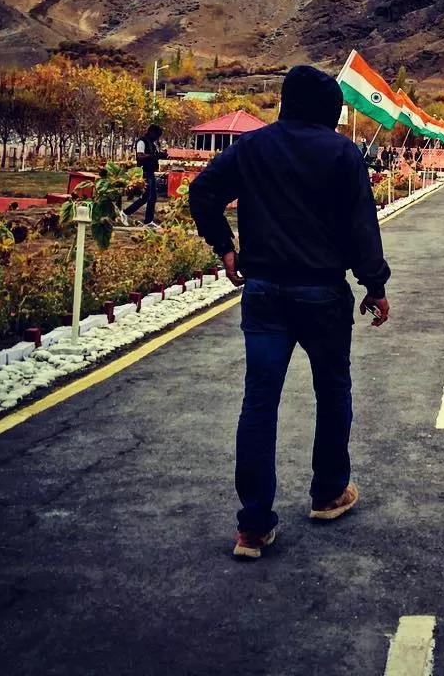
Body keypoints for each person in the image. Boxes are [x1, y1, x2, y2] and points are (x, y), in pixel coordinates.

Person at [188, 65, 391, 560]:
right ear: (330, 110)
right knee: (332, 391)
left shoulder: (253, 147)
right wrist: (374, 284)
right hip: (322, 294)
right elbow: (361, 225)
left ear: (285, 101)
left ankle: (253, 527)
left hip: (263, 293)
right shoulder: (342, 153)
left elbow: (203, 191)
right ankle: (327, 494)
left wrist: (226, 247)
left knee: (259, 403)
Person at [121, 123, 165, 228]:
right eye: (156, 135)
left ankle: (148, 221)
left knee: (151, 197)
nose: (157, 138)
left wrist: (160, 155)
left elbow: (153, 155)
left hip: (150, 171)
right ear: (151, 132)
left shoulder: (151, 143)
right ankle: (126, 213)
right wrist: (155, 155)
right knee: (149, 196)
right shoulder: (142, 141)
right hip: (144, 171)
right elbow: (140, 156)